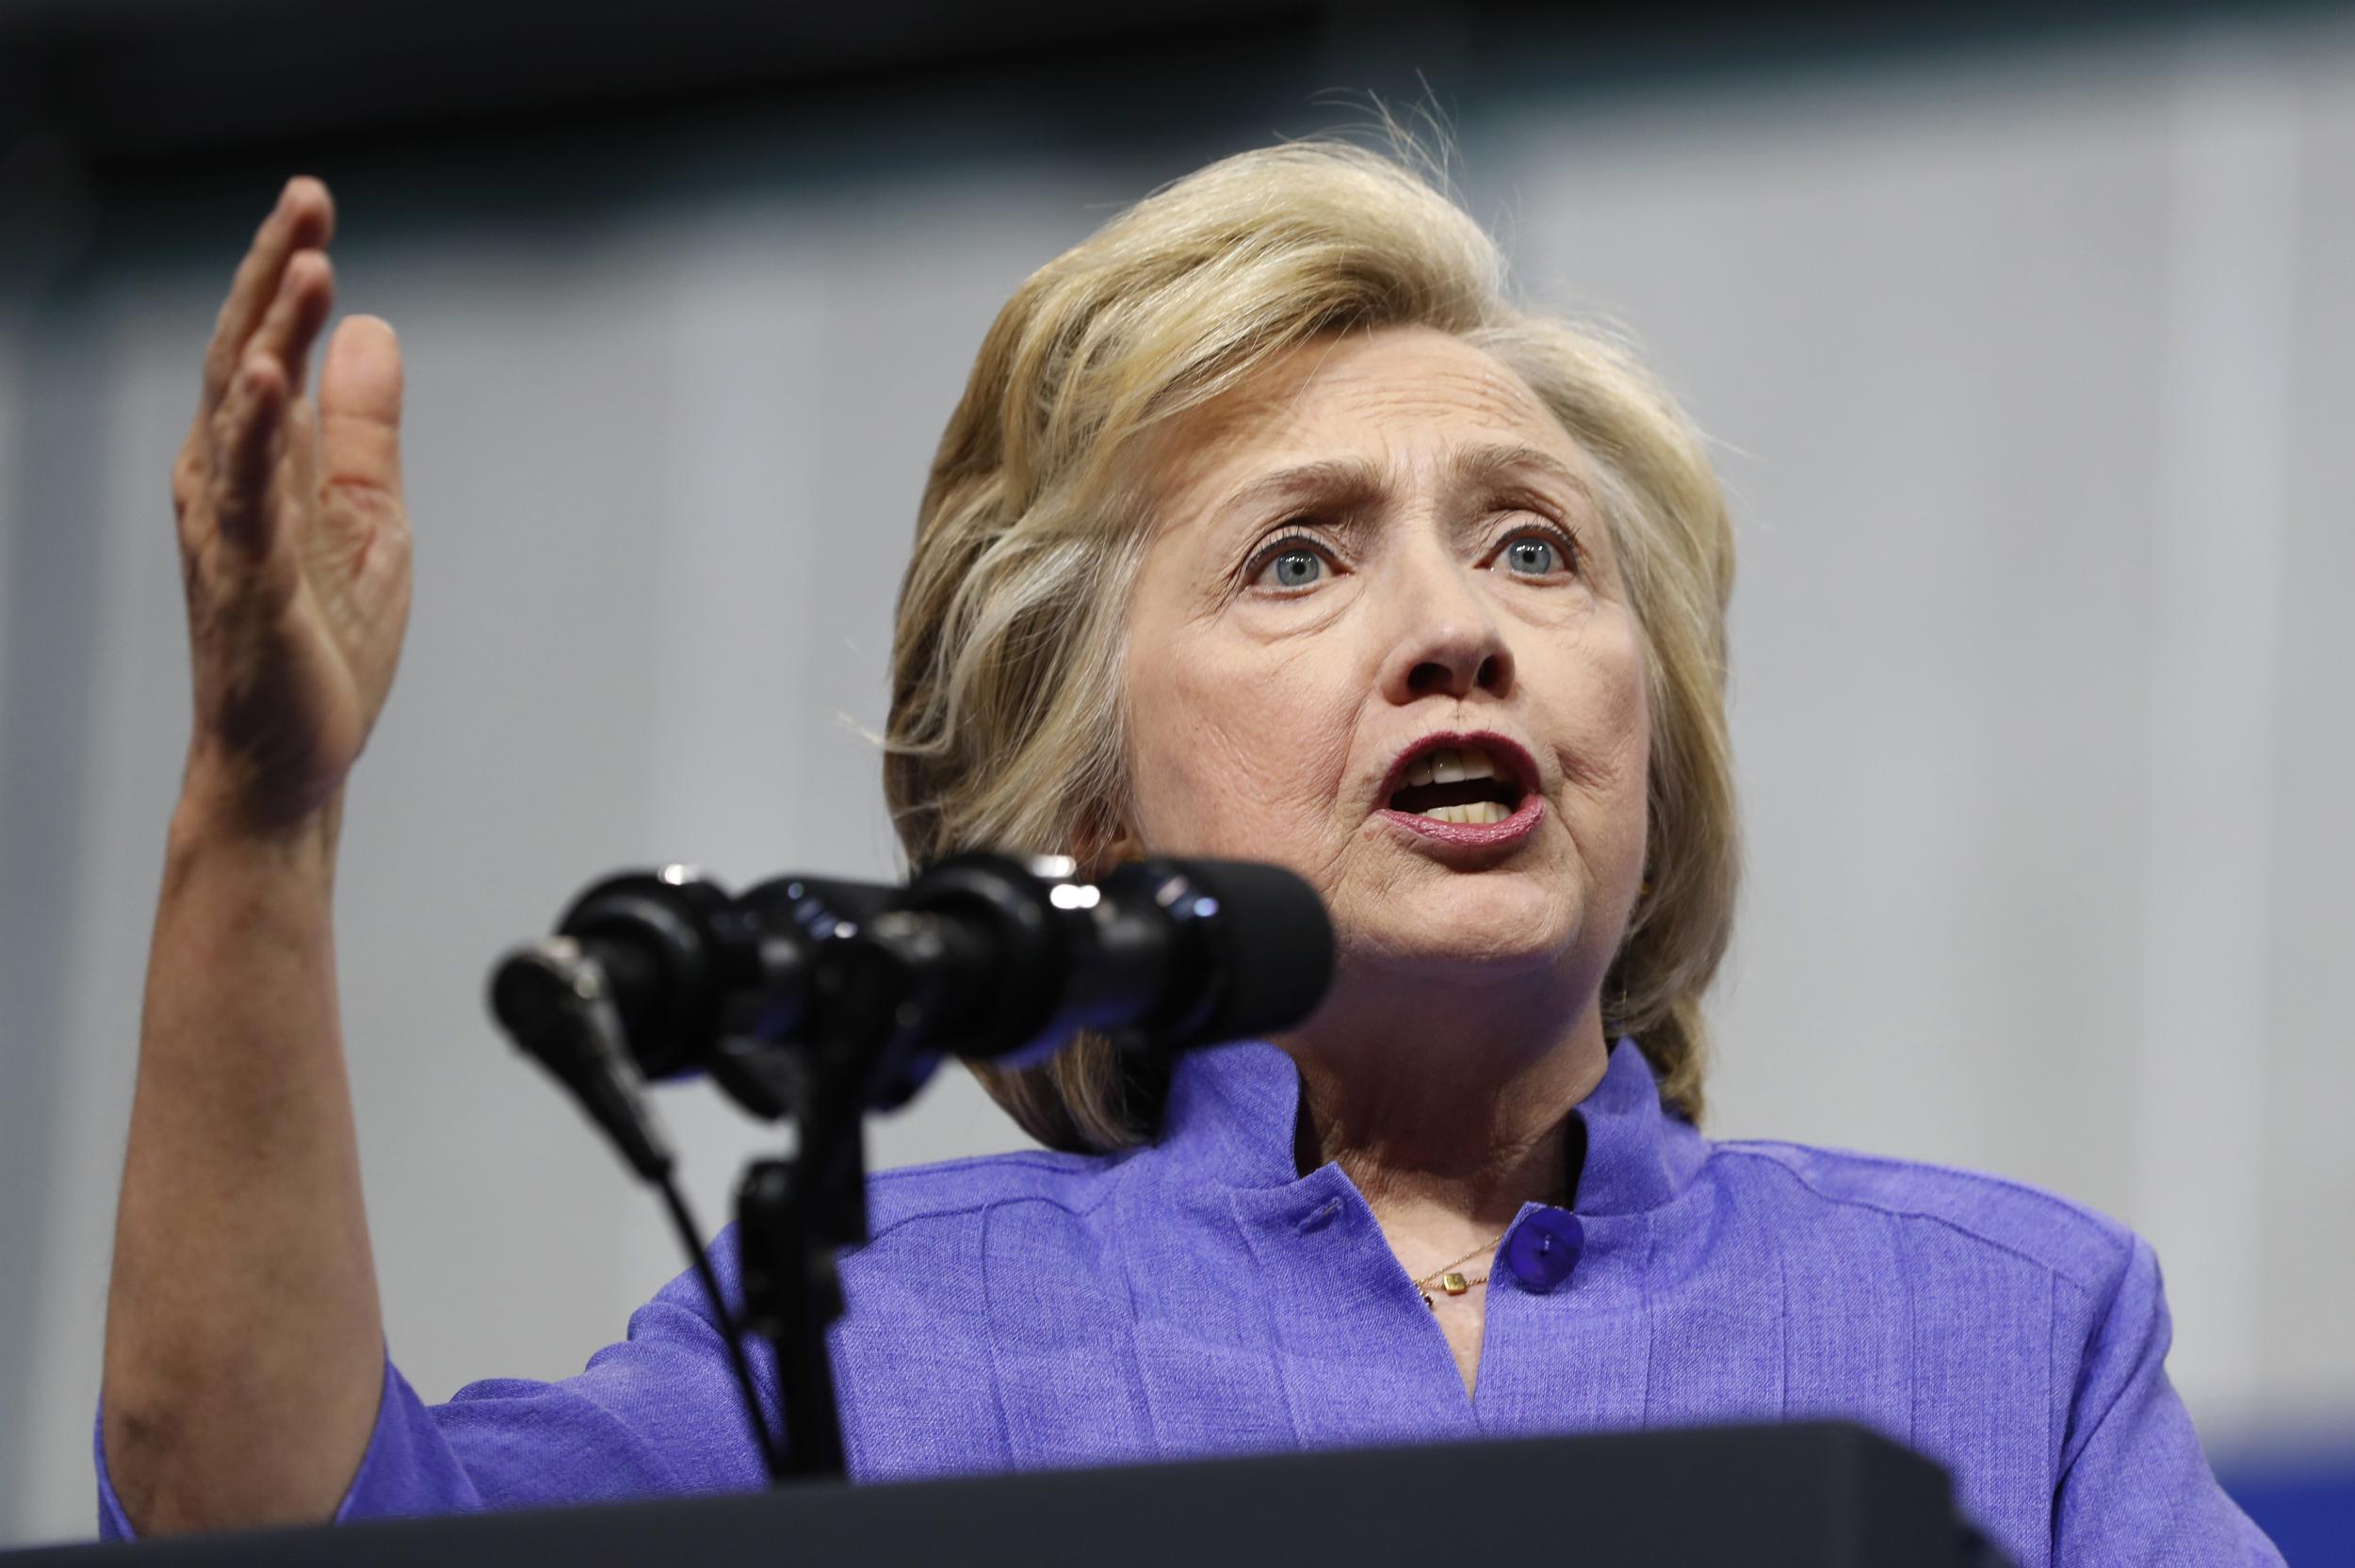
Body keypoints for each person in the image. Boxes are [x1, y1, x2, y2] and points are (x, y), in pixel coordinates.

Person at [98, 141, 2282, 1567]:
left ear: (1658, 730)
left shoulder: (2002, 1331)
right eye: (1296, 559)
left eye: (1533, 545)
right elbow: (256, 1523)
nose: (1457, 625)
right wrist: (258, 814)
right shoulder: (860, 1344)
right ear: (1092, 809)